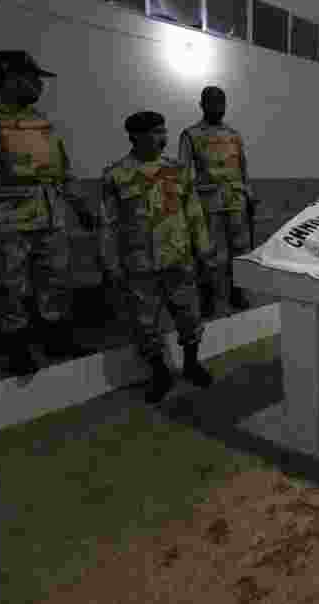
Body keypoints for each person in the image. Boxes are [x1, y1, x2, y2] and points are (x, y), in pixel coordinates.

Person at [0, 50, 98, 374]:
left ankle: (55, 339)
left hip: (49, 216)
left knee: (55, 279)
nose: (38, 86)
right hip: (6, 220)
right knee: (9, 286)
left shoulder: (39, 120)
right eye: (33, 79)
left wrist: (80, 204)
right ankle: (17, 348)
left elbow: (61, 168)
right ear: (11, 78)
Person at [99, 111, 216, 404]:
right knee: (145, 326)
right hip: (140, 266)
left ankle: (191, 364)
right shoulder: (116, 175)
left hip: (179, 260)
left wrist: (203, 251)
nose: (162, 137)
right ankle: (160, 373)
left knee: (190, 317)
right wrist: (110, 264)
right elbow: (108, 224)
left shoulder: (178, 170)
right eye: (155, 132)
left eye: (163, 131)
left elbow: (194, 214)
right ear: (135, 136)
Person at [178, 86, 256, 316]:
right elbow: (183, 173)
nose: (218, 107)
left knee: (240, 249)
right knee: (207, 250)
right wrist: (185, 203)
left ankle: (237, 290)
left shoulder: (233, 135)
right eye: (212, 102)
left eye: (221, 103)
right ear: (202, 105)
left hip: (235, 200)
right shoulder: (191, 134)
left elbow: (243, 168)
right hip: (207, 202)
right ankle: (208, 295)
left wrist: (248, 195)